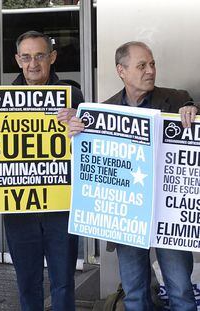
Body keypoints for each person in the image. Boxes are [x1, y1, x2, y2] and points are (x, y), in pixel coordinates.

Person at [67, 41, 198, 311]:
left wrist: (192, 111)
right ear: (121, 71)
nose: (150, 70)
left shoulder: (176, 99)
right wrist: (78, 134)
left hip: (167, 217)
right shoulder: (103, 110)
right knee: (135, 295)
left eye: (152, 64)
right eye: (141, 65)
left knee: (181, 292)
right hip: (126, 219)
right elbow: (91, 165)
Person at [0, 30, 83, 311]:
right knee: (27, 281)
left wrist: (79, 122)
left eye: (40, 56)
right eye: (27, 57)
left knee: (64, 281)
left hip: (61, 206)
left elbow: (88, 145)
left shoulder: (72, 94)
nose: (34, 64)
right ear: (18, 60)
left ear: (52, 57)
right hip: (19, 207)